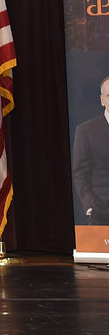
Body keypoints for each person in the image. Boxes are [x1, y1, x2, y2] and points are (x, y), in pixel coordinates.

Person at [72, 76, 109, 225]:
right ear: (102, 100)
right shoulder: (86, 131)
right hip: (102, 215)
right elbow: (79, 174)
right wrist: (90, 205)